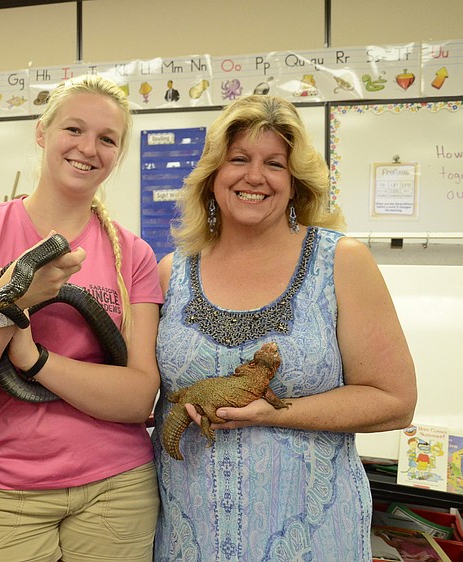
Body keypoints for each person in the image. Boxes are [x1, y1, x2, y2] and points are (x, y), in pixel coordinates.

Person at [152, 94, 417, 560]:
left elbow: (394, 402)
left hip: (311, 539)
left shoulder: (341, 262)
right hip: (188, 535)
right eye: (238, 159)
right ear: (213, 174)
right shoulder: (170, 272)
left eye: (274, 163)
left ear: (295, 183)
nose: (255, 176)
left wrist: (275, 412)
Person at [0, 74, 162, 562]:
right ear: (42, 132)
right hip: (6, 490)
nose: (88, 148)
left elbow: (138, 396)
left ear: (118, 153)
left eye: (107, 139)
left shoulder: (135, 256)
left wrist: (32, 358)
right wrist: (13, 302)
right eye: (73, 130)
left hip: (116, 487)